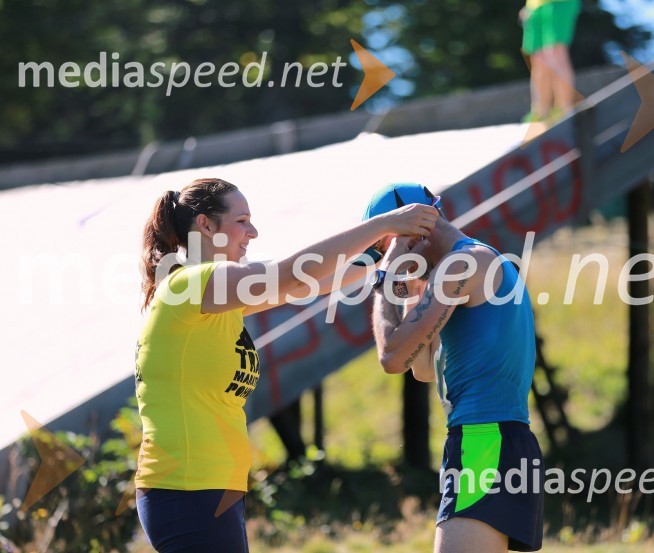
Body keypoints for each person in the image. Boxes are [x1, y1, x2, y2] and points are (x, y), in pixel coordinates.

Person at [135, 177, 438, 552]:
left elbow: (301, 286)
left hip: (211, 486)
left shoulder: (217, 295)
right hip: (185, 486)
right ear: (205, 225)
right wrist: (385, 224)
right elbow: (291, 273)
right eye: (242, 220)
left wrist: (382, 261)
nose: (253, 232)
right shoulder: (189, 285)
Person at [366, 183, 543, 553]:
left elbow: (392, 359)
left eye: (381, 250)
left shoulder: (464, 264)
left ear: (409, 231)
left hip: (484, 440)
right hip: (494, 439)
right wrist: (410, 290)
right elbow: (424, 368)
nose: (384, 261)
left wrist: (384, 281)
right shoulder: (467, 263)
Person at [521, 0, 581, 122]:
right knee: (538, 60)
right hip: (535, 7)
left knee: (555, 53)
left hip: (560, 3)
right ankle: (540, 112)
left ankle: (565, 110)